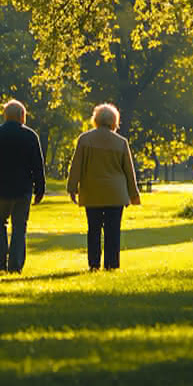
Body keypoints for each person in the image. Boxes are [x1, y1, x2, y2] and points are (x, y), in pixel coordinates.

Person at [67, 103, 140, 271]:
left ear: (96, 119)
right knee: (113, 231)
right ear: (114, 121)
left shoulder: (85, 139)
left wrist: (72, 187)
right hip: (115, 193)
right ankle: (111, 264)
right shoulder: (121, 142)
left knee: (93, 230)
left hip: (92, 192)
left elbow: (76, 165)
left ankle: (94, 264)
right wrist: (133, 194)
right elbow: (129, 171)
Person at [0, 99, 46, 273]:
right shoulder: (31, 136)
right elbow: (38, 166)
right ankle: (15, 265)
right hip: (22, 189)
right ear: (22, 116)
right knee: (19, 227)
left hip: (1, 188)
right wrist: (40, 189)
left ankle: (1, 259)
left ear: (5, 115)